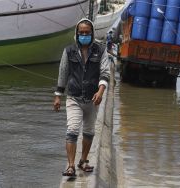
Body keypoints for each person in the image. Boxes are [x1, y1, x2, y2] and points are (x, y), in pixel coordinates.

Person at [53, 18, 110, 177]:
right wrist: (58, 96)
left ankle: (83, 161)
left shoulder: (100, 50)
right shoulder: (69, 51)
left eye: (87, 33)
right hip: (74, 97)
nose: (84, 35)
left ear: (92, 34)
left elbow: (105, 72)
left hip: (92, 99)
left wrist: (100, 91)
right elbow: (63, 74)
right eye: (81, 33)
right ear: (77, 34)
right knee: (72, 130)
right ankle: (71, 166)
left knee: (89, 131)